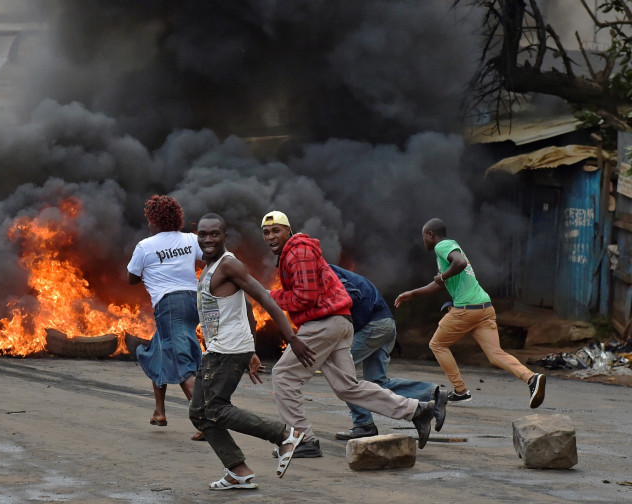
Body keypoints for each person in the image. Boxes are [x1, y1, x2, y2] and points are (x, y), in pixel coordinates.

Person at [261, 210, 443, 455]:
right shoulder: (297, 251)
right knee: (348, 387)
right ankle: (416, 410)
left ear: (288, 231)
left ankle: (302, 439)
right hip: (338, 323)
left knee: (283, 376)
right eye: (266, 232)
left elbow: (305, 297)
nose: (271, 236)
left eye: (276, 230)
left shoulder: (298, 250)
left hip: (324, 323)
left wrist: (270, 297)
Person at [189, 213, 306, 490]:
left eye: (214, 234)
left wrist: (290, 336)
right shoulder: (210, 267)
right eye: (203, 234)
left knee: (215, 408)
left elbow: (263, 297)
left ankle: (285, 435)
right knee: (198, 413)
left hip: (227, 350)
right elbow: (246, 308)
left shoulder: (230, 265)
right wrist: (251, 349)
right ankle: (238, 471)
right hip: (221, 348)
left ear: (224, 237)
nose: (207, 239)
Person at [394, 218, 546, 408]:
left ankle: (460, 391)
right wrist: (413, 293)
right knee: (495, 354)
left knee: (437, 344)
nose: (423, 240)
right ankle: (532, 378)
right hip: (484, 307)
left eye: (424, 236)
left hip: (467, 309)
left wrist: (442, 276)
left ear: (431, 235)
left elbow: (460, 263)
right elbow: (440, 283)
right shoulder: (451, 247)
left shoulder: (442, 245)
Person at [329, 264, 447, 440]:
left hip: (374, 327)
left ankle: (363, 424)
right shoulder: (333, 271)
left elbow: (351, 295)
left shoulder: (326, 273)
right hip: (385, 324)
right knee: (378, 382)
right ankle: (433, 394)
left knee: (340, 372)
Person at [127, 195, 204, 437]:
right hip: (193, 302)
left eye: (150, 220)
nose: (148, 224)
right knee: (158, 351)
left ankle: (206, 421)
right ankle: (159, 412)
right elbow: (210, 259)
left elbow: (131, 277)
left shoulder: (145, 246)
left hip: (169, 305)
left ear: (155, 221)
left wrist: (153, 271)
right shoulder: (191, 240)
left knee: (179, 359)